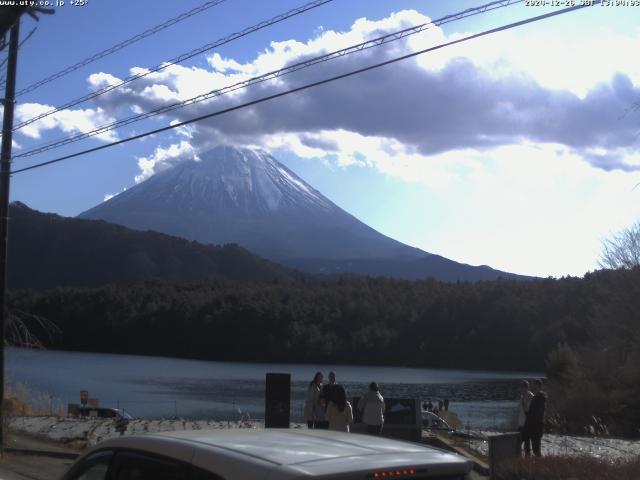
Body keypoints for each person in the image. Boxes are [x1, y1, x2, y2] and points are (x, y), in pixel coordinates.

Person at [525, 379, 547, 456]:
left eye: (535, 385)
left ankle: (539, 463)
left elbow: (539, 412)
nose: (534, 386)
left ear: (539, 386)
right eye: (534, 385)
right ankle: (537, 462)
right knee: (535, 447)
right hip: (535, 425)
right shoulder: (537, 396)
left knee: (536, 448)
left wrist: (533, 421)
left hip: (537, 425)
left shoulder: (540, 397)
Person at [517, 380, 534, 456]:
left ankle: (526, 460)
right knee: (520, 443)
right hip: (521, 424)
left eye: (524, 387)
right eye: (521, 387)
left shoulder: (530, 396)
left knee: (524, 443)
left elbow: (528, 410)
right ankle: (522, 459)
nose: (522, 389)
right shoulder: (522, 397)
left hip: (527, 424)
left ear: (527, 387)